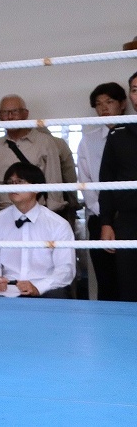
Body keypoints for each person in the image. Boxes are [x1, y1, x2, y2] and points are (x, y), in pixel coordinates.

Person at [0, 163, 75, 298]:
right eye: (10, 182)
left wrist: (39, 287)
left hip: (46, 289)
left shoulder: (58, 224)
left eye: (19, 182)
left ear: (36, 188)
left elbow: (65, 269)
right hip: (7, 289)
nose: (13, 186)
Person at [0, 95, 72, 220]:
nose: (10, 117)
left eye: (15, 112)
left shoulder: (45, 143)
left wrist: (50, 219)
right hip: (4, 216)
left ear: (25, 114)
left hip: (38, 215)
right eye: (5, 112)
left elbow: (53, 182)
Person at [77, 82, 126, 300]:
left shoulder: (132, 134)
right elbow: (85, 181)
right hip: (99, 217)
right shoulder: (89, 140)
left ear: (122, 104)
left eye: (109, 101)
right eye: (98, 104)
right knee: (106, 281)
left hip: (131, 217)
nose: (104, 107)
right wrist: (104, 213)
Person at [97, 71, 137, 301]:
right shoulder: (119, 133)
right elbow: (107, 181)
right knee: (130, 287)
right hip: (129, 221)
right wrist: (106, 222)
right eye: (135, 90)